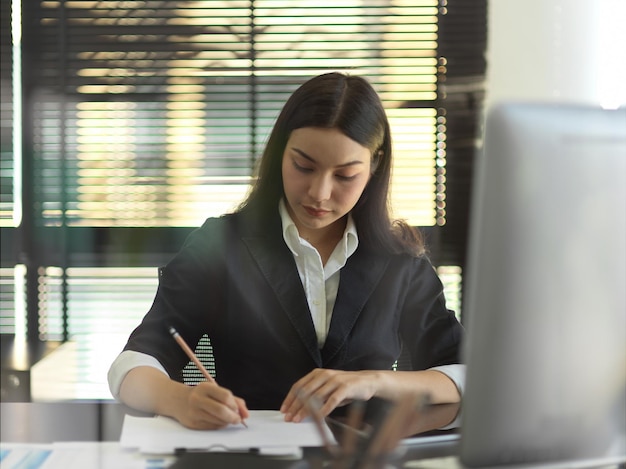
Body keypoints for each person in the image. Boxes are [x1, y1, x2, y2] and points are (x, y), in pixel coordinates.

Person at [107, 72, 465, 430]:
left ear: (374, 167)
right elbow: (133, 364)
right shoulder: (220, 245)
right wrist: (180, 400)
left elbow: (464, 373)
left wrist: (373, 381)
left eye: (345, 176)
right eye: (304, 167)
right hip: (249, 454)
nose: (319, 193)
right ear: (280, 155)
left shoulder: (400, 260)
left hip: (358, 458)